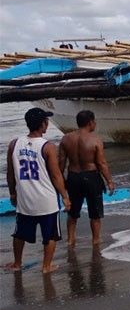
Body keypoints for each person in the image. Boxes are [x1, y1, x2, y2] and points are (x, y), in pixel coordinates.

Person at [5, 108, 70, 273]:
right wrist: (64, 196)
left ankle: (17, 263)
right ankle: (46, 266)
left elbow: (11, 173)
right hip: (46, 200)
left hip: (25, 198)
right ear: (43, 124)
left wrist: (12, 193)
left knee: (20, 233)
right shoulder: (48, 147)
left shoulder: (14, 144)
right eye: (46, 121)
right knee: (50, 235)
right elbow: (56, 176)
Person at [59, 110, 115, 246]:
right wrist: (109, 181)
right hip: (91, 177)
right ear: (90, 122)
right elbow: (101, 163)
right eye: (94, 121)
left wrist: (61, 183)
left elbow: (61, 164)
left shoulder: (66, 138)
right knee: (95, 213)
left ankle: (71, 240)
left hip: (73, 177)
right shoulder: (95, 139)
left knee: (72, 213)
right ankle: (96, 239)